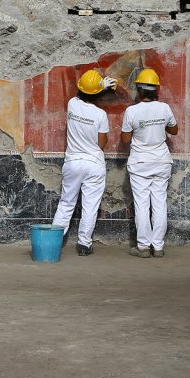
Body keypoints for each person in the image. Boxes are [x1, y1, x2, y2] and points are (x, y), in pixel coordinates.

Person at [51, 69, 116, 256]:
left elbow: (84, 93)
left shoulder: (72, 104)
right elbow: (102, 143)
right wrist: (104, 86)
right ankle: (84, 245)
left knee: (66, 203)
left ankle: (54, 241)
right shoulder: (100, 115)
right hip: (94, 163)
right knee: (90, 206)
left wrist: (100, 85)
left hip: (72, 162)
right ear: (98, 94)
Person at [120, 68, 178, 258]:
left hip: (140, 163)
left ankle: (143, 247)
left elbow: (125, 140)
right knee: (159, 203)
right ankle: (158, 247)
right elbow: (174, 130)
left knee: (142, 205)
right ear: (156, 90)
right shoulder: (164, 108)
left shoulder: (132, 111)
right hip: (161, 161)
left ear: (138, 89)